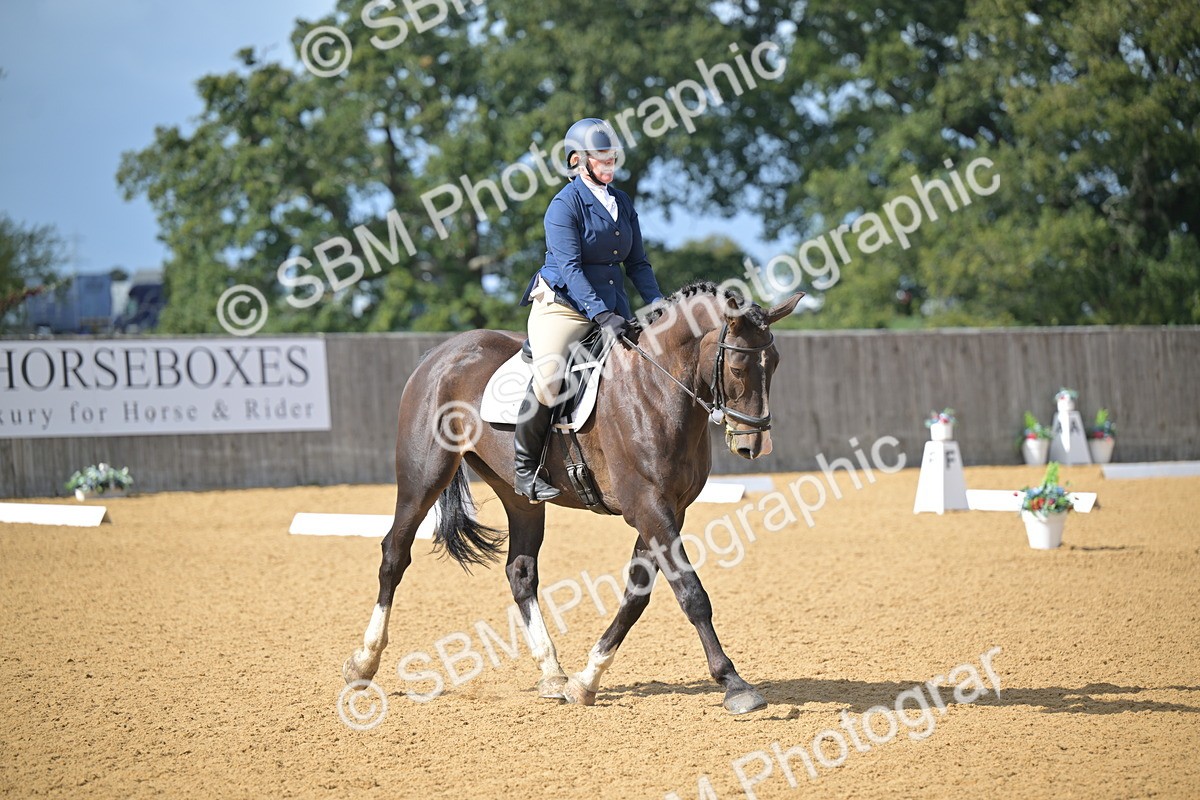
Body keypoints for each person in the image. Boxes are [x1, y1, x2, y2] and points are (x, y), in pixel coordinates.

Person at [513, 117, 666, 503]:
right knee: (549, 378)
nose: (610, 164)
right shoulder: (564, 206)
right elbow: (570, 268)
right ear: (577, 160)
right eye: (602, 158)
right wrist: (599, 314)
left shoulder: (622, 202)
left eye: (612, 157)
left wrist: (661, 307)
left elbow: (638, 264)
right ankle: (525, 471)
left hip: (612, 306)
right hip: (563, 307)